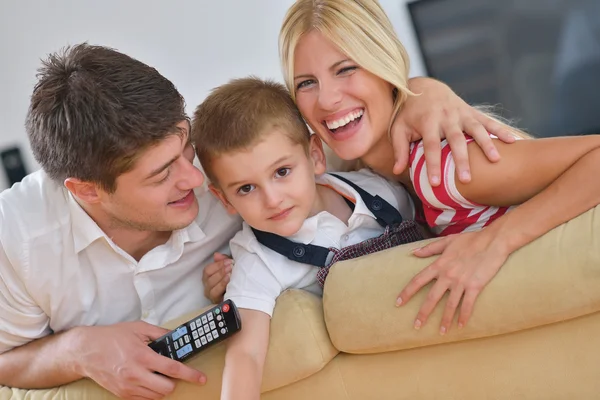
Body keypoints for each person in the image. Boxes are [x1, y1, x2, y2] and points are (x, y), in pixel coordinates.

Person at [0, 43, 512, 399]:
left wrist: (422, 93)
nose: (195, 180)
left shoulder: (230, 166)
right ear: (86, 190)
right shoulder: (19, 238)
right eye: (162, 176)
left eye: (185, 147)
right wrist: (76, 350)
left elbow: (326, 116)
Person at [277, 0, 600, 336]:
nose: (327, 99)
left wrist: (498, 240)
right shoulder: (367, 179)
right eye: (306, 83)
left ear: (384, 65)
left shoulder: (443, 166)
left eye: (345, 69)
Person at [192, 76, 427, 400]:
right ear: (225, 199)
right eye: (246, 188)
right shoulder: (256, 259)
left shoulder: (379, 190)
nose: (272, 199)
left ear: (315, 156)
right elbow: (246, 354)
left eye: (282, 172)